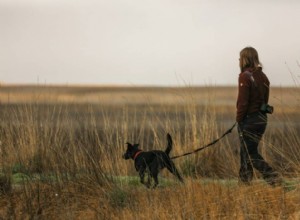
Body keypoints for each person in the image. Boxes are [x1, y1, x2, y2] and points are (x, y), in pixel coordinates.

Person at [236, 46, 280, 186]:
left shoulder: (244, 76)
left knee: (249, 153)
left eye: (240, 57)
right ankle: (244, 183)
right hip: (262, 119)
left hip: (249, 120)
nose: (238, 60)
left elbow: (243, 103)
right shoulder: (263, 76)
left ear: (245, 59)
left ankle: (272, 177)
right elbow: (265, 101)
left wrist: (239, 120)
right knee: (246, 151)